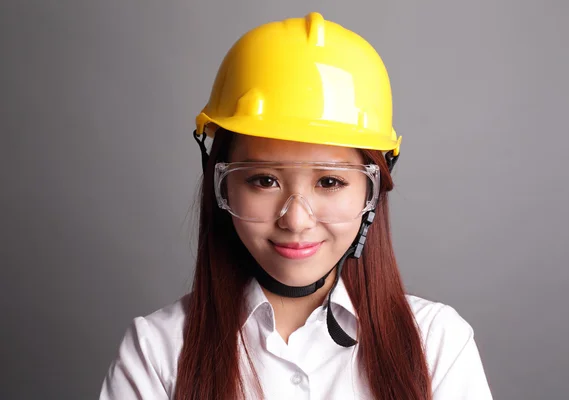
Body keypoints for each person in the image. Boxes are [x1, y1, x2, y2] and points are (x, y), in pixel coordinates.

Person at [99, 12, 493, 400]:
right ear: (222, 185)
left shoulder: (437, 344)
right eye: (264, 180)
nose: (297, 219)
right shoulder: (159, 351)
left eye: (330, 182)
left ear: (372, 192)